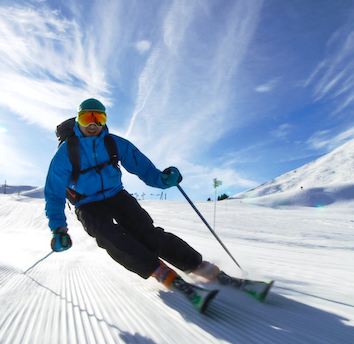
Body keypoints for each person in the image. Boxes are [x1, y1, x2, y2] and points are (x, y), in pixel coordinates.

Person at [44, 98, 222, 312]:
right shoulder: (65, 153)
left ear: (104, 120)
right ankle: (161, 272)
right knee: (110, 236)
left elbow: (144, 170)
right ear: (78, 120)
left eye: (99, 118)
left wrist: (163, 180)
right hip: (87, 202)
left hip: (115, 194)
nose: (93, 124)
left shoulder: (114, 143)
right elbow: (54, 194)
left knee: (147, 232)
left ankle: (200, 266)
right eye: (87, 117)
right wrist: (58, 228)